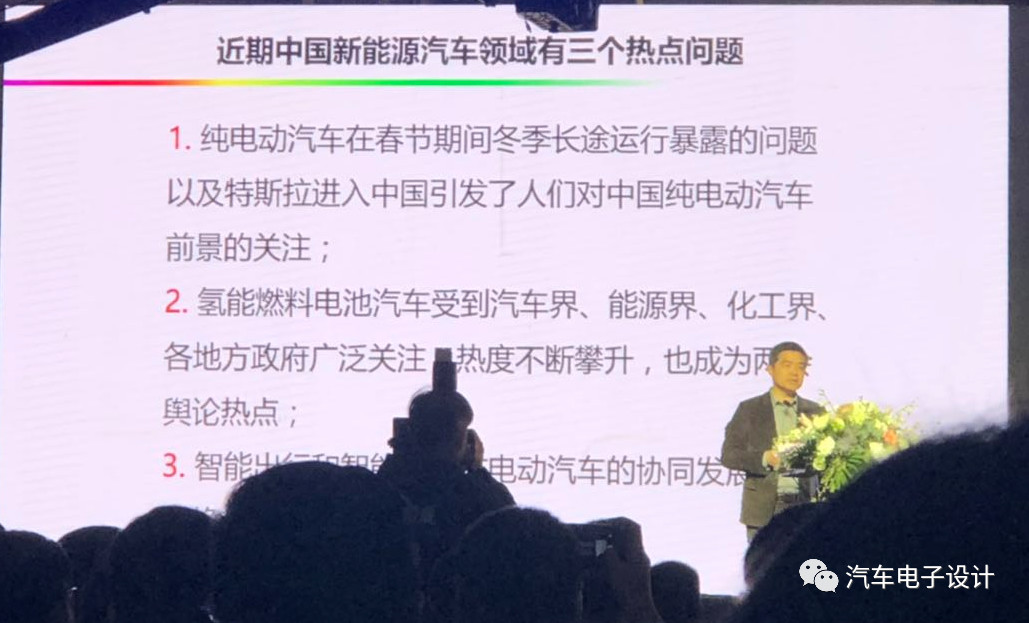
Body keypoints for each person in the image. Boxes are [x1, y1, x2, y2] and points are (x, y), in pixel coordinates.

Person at [378, 388, 515, 579]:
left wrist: (396, 462)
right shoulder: (482, 497)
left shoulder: (376, 490)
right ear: (462, 443)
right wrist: (478, 470)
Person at [720, 342, 823, 542]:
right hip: (762, 510)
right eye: (787, 365)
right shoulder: (750, 409)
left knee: (804, 561)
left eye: (801, 367)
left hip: (803, 507)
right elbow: (729, 455)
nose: (794, 372)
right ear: (770, 369)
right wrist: (764, 458)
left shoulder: (816, 412)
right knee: (763, 562)